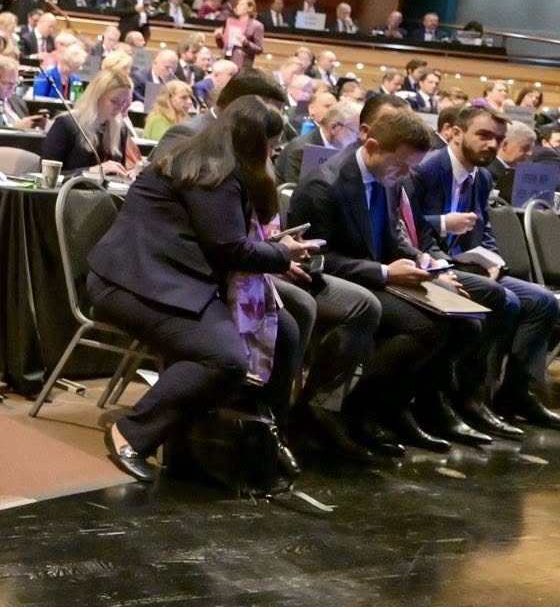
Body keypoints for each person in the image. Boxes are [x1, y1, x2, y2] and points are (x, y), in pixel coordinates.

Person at [87, 97, 312, 483]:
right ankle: (133, 433)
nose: (274, 155)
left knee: (286, 331)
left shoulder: (215, 165)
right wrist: (279, 254)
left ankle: (263, 435)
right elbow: (229, 248)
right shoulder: (211, 174)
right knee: (225, 358)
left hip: (177, 279)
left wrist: (278, 257)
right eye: (272, 148)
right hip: (134, 285)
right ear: (254, 143)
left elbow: (227, 243)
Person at [286, 106, 471, 455]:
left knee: (462, 325)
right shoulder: (324, 185)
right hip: (329, 283)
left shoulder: (385, 180)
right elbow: (316, 259)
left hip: (370, 278)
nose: (404, 175)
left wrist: (424, 261)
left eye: (410, 168)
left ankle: (386, 408)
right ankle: (339, 411)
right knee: (424, 329)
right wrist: (385, 273)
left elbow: (392, 239)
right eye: (400, 165)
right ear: (370, 145)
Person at [406, 105, 560, 430]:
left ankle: (516, 393)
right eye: (484, 135)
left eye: (498, 139)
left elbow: (483, 229)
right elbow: (405, 226)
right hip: (427, 265)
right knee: (502, 299)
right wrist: (444, 224)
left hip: (469, 266)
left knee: (542, 302)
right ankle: (468, 396)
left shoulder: (482, 176)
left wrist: (493, 259)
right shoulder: (426, 170)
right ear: (456, 133)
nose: (491, 144)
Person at [43, 68, 142, 178]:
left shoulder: (120, 128)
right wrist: (90, 171)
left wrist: (128, 175)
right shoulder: (66, 124)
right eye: (114, 101)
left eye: (124, 103)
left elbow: (117, 173)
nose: (120, 108)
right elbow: (46, 175)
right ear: (97, 97)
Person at [216, 0, 265, 69]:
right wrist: (219, 38)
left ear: (250, 8)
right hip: (225, 61)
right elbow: (221, 46)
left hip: (242, 65)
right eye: (238, 4)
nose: (238, 6)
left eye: (241, 4)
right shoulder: (230, 22)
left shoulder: (257, 25)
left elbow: (259, 49)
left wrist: (246, 42)